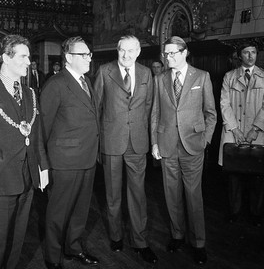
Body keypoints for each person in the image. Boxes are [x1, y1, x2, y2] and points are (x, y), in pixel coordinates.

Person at [151, 36, 217, 265]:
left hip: (193, 146)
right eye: (165, 53)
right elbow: (155, 114)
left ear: (184, 52)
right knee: (171, 195)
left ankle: (198, 243)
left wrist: (206, 140)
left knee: (193, 195)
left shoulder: (201, 76)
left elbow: (211, 113)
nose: (167, 57)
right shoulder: (159, 79)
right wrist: (154, 143)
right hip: (167, 144)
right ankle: (177, 235)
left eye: (172, 53)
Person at [94, 34, 158, 264]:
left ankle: (140, 241)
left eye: (131, 51)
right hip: (111, 142)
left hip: (137, 143)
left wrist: (152, 142)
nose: (126, 55)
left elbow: (150, 108)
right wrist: (98, 143)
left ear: (139, 52)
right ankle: (115, 236)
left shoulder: (146, 73)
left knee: (138, 195)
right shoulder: (104, 71)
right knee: (112, 195)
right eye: (122, 50)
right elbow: (96, 108)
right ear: (117, 50)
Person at [40, 36, 100, 269]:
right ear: (68, 57)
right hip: (64, 162)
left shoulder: (86, 81)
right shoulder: (56, 84)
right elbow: (42, 127)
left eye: (89, 54)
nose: (88, 59)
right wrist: (43, 163)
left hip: (87, 159)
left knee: (80, 211)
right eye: (83, 55)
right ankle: (53, 258)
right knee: (57, 213)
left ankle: (73, 248)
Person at [0, 34, 49, 269]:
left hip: (27, 176)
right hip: (2, 178)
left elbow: (37, 134)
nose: (28, 62)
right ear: (5, 58)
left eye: (29, 56)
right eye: (23, 56)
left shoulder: (30, 93)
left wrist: (43, 168)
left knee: (17, 237)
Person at [218, 42, 264, 227]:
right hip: (234, 132)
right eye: (246, 52)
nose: (250, 56)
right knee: (234, 176)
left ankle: (256, 213)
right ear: (239, 55)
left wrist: (256, 128)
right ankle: (234, 211)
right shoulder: (229, 77)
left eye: (253, 52)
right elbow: (224, 104)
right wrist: (234, 129)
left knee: (257, 176)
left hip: (257, 133)